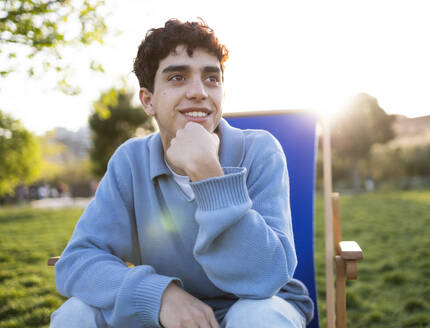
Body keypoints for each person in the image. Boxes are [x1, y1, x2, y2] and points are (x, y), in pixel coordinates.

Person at [50, 19, 314, 328]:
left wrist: (210, 176)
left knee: (256, 317)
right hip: (164, 313)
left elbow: (266, 277)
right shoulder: (130, 161)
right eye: (177, 77)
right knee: (75, 314)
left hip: (255, 305)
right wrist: (160, 296)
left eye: (211, 78)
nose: (199, 92)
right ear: (148, 101)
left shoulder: (259, 151)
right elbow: (77, 261)